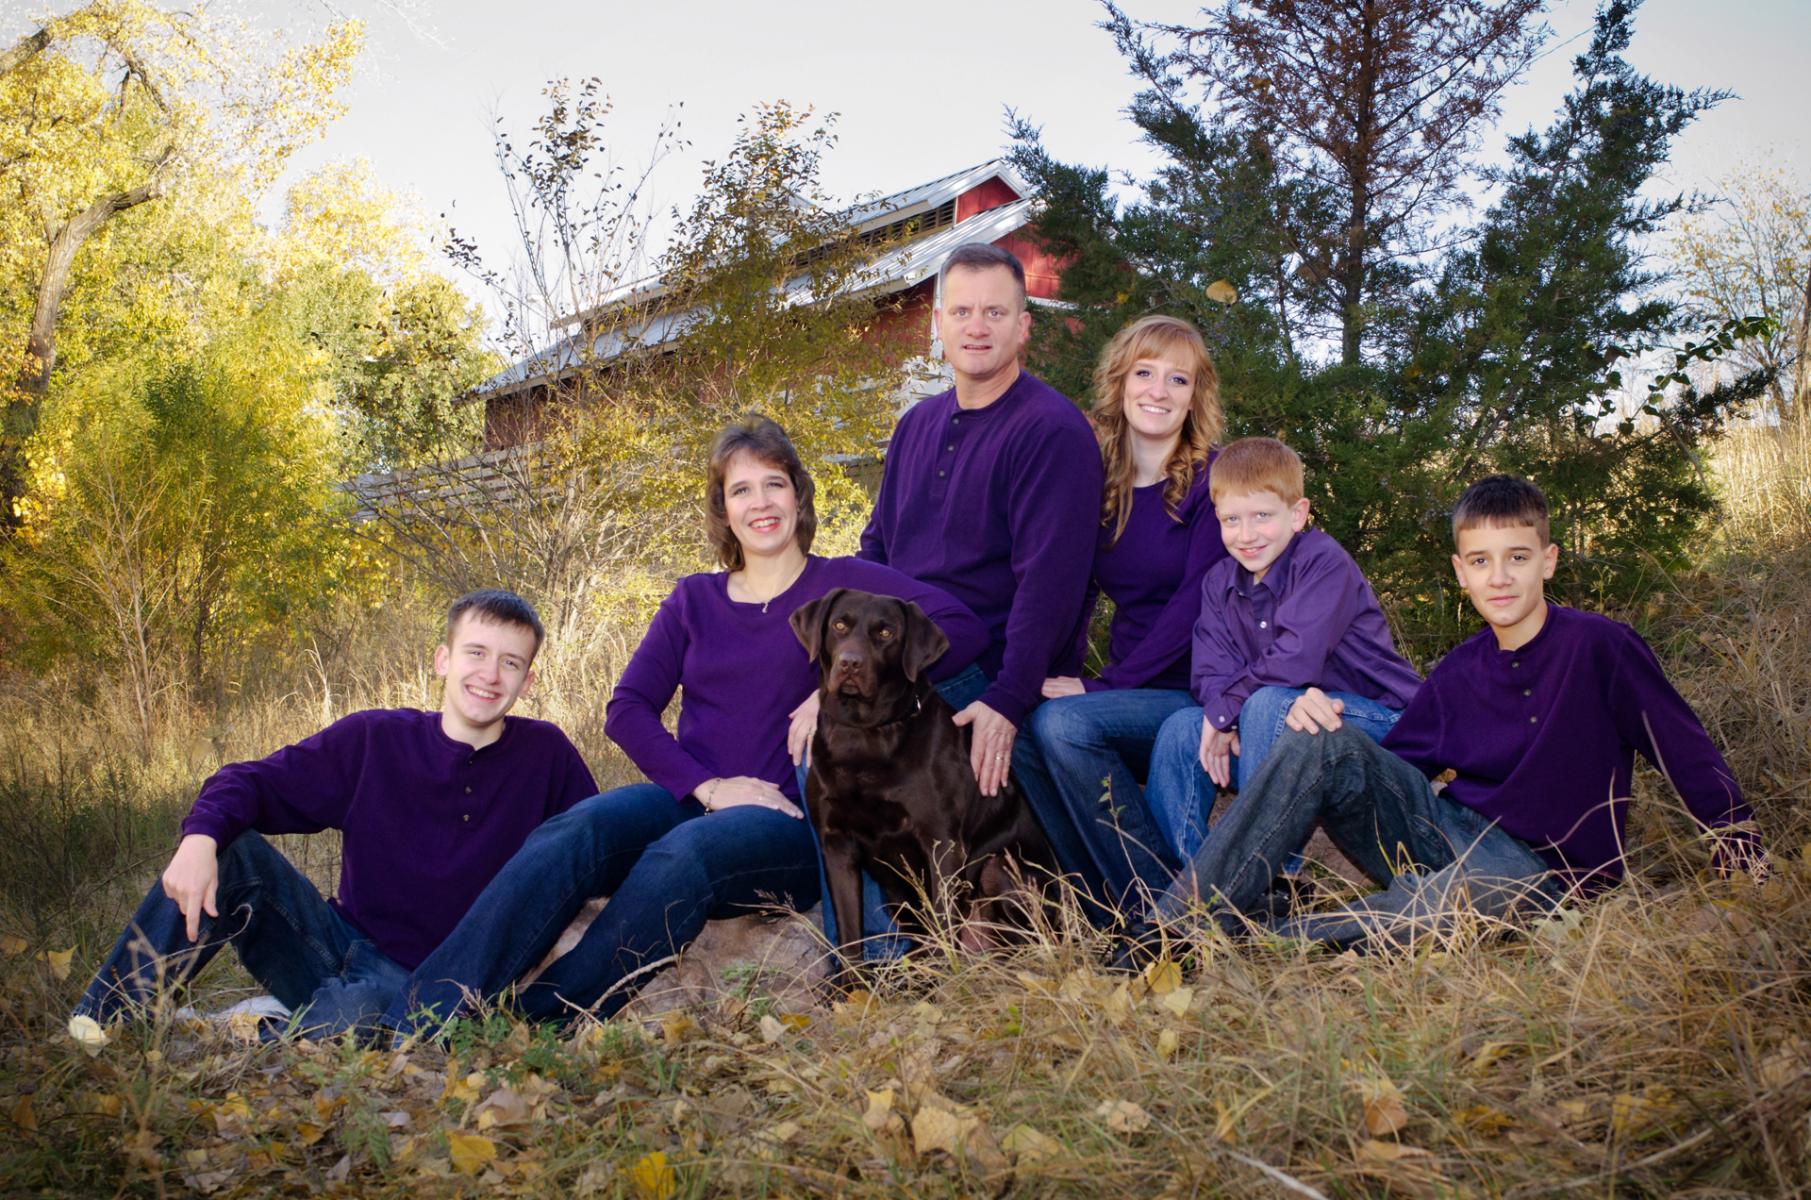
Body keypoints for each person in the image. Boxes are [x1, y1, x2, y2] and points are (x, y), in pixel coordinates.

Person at [384, 416, 987, 1033]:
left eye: (774, 484)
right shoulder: (694, 598)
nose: (761, 504)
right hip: (696, 797)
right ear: (723, 510)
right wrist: (705, 786)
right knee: (575, 830)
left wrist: (830, 695)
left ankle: (535, 1021)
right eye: (741, 490)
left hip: (787, 821)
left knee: (681, 856)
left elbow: (961, 629)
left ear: (799, 495)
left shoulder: (846, 588)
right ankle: (422, 1016)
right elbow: (627, 708)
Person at [1137, 474, 1763, 951]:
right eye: (1482, 562)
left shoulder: (1600, 647)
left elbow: (1682, 747)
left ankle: (1278, 935)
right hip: (1445, 833)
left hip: (1545, 870)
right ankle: (1178, 927)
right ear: (1461, 573)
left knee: (1460, 899)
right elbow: (1389, 767)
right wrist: (1320, 721)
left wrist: (1740, 851)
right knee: (1318, 733)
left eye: (1517, 557)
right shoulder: (1462, 668)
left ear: (1547, 560)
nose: (1501, 578)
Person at [68, 591, 596, 1044]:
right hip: (334, 946)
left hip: (444, 983)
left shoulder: (546, 756)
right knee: (232, 854)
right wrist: (199, 839)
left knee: (358, 1016)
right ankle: (101, 1026)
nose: (489, 674)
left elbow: (596, 849)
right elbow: (250, 781)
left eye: (510, 662)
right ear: (443, 660)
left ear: (527, 680)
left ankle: (253, 1035)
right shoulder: (375, 739)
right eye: (475, 653)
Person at [859, 242, 1102, 903]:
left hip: (981, 672)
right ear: (936, 324)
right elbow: (875, 552)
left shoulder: (1051, 431)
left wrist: (1004, 701)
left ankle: (902, 951)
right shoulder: (915, 425)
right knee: (816, 750)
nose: (976, 326)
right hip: (904, 660)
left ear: (1023, 326)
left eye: (994, 312)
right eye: (961, 311)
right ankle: (870, 961)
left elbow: (1050, 585)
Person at [1019, 315, 1227, 917]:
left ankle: (1165, 902)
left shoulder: (1212, 484)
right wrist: (1043, 674)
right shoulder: (1096, 478)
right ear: (1120, 381)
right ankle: (1101, 901)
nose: (1158, 391)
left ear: (1195, 397)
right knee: (1021, 727)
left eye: (1177, 379)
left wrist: (1101, 686)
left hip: (1195, 692)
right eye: (1145, 373)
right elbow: (1073, 590)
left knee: (1064, 725)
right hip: (1132, 692)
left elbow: (1196, 607)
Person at [1144, 437, 1421, 864]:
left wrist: (1229, 711)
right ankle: (1196, 889)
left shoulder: (1322, 560)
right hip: (1282, 736)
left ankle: (1270, 876)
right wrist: (1224, 715)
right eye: (1231, 519)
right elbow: (1210, 672)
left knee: (1268, 704)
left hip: (1378, 723)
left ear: (1297, 514)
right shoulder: (1220, 581)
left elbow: (1296, 659)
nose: (1246, 534)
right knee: (1183, 727)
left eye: (1261, 516)